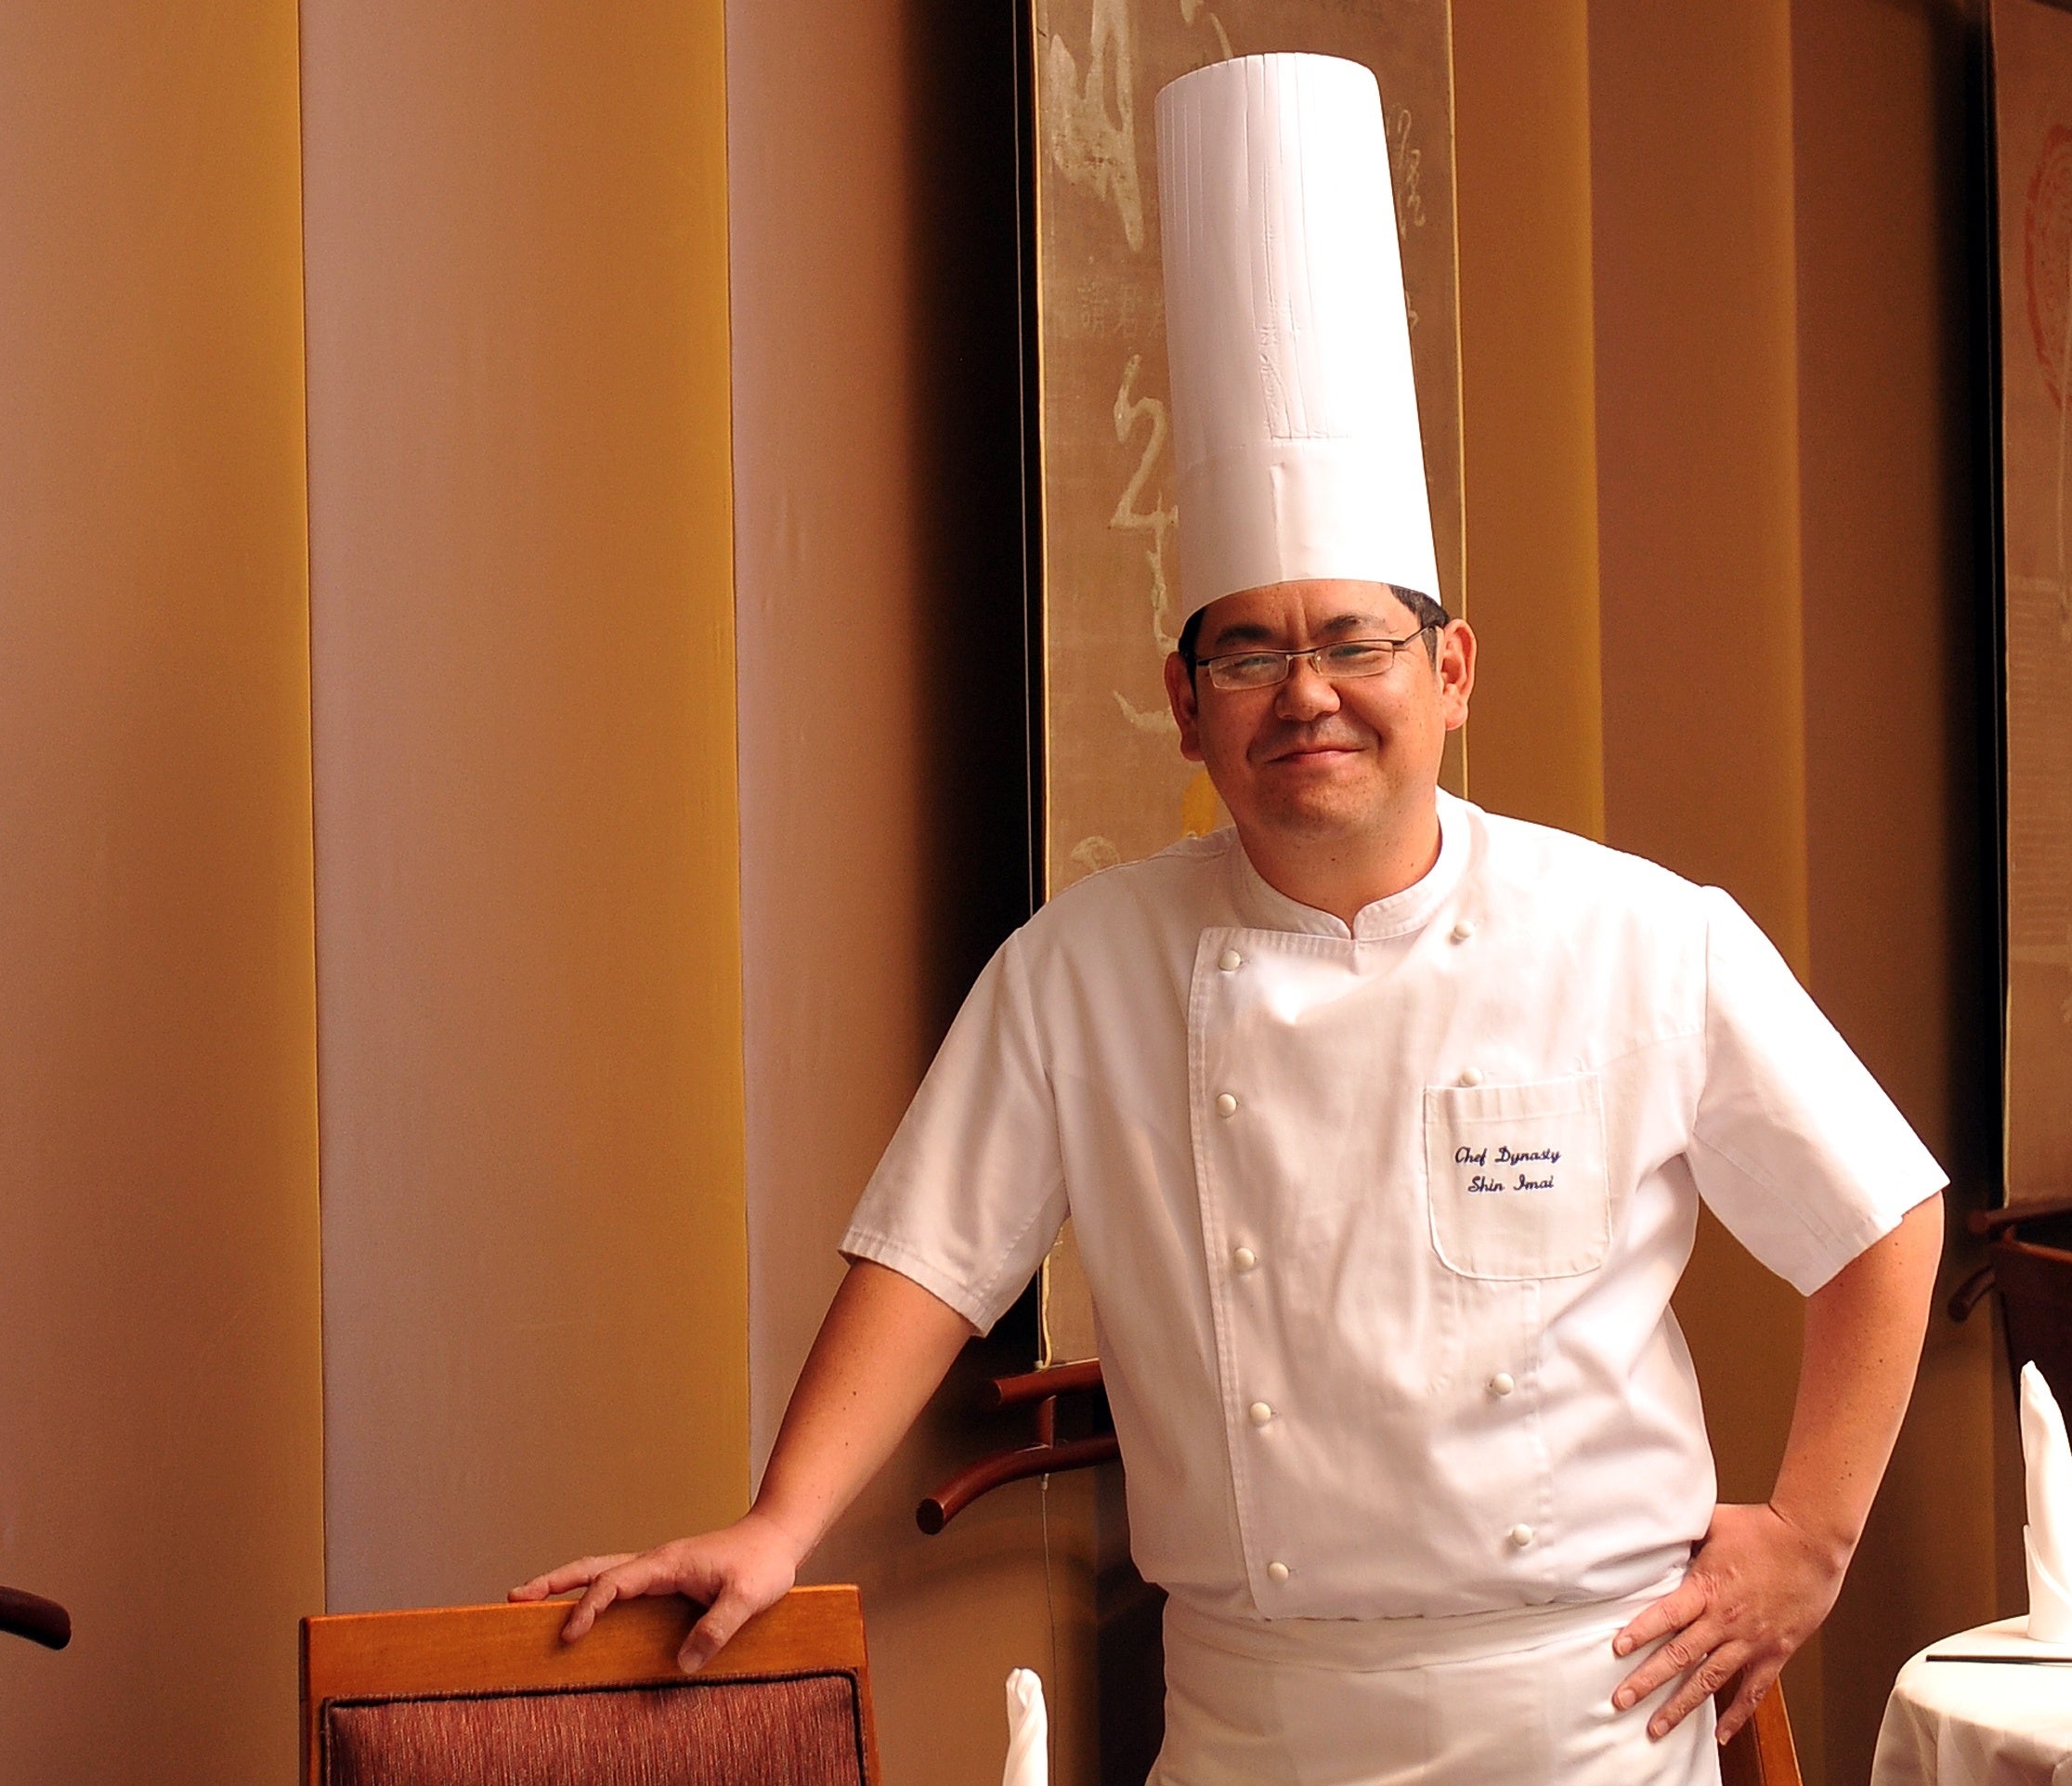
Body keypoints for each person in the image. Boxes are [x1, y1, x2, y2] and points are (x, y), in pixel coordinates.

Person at [514, 52, 1945, 1786]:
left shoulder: (1641, 936)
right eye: (1251, 652)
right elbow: (930, 1262)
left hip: (1589, 1717)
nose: (1307, 693)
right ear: (1185, 706)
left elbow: (1881, 1214)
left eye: (1355, 644)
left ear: (1452, 671)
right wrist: (778, 1522)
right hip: (1255, 1719)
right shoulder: (1082, 969)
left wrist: (1813, 1538)